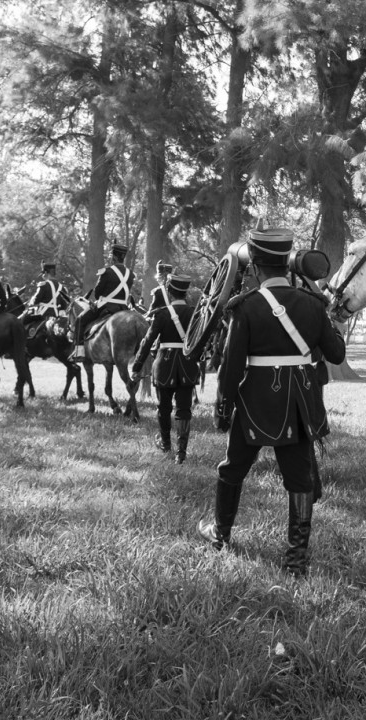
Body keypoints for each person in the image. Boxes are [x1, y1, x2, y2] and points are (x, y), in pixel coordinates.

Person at [198, 227, 346, 576]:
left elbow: (231, 368)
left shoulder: (245, 307)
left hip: (254, 404)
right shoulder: (313, 304)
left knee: (232, 469)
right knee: (300, 480)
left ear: (255, 267)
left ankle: (220, 534)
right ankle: (296, 558)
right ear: (287, 263)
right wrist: (321, 304)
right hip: (298, 405)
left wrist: (224, 406)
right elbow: (336, 353)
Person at [131, 273, 200, 463]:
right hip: (187, 365)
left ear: (169, 292)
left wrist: (137, 366)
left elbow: (147, 342)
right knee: (184, 409)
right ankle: (181, 453)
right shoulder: (195, 313)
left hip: (165, 365)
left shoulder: (161, 314)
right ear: (185, 293)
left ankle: (166, 444)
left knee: (163, 408)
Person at [72, 240, 135, 358]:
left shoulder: (107, 272)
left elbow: (97, 294)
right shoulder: (130, 274)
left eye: (111, 255)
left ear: (114, 257)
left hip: (106, 307)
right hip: (123, 308)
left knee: (80, 319)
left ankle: (79, 352)